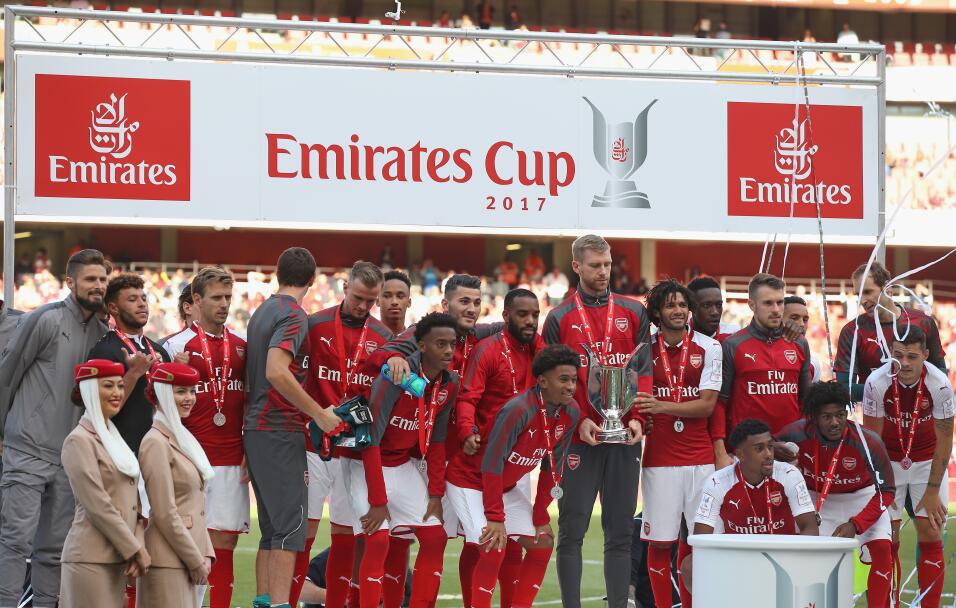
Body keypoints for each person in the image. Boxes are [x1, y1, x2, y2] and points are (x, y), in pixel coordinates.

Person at [542, 234, 650, 608]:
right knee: (571, 530)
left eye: (607, 265)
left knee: (619, 533)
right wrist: (575, 421)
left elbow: (643, 371)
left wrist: (638, 420)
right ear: (576, 266)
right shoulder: (558, 318)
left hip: (623, 438)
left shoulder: (634, 311)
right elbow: (550, 381)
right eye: (594, 266)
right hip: (579, 439)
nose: (603, 272)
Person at [243, 247, 355, 608]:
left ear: (278, 274)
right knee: (291, 531)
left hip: (259, 429)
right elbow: (277, 370)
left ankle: (263, 601)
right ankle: (277, 604)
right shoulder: (294, 315)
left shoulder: (263, 310)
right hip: (278, 428)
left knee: (273, 530)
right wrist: (318, 413)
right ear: (312, 279)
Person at [0, 249, 111, 607]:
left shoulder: (102, 331)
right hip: (27, 450)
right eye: (91, 279)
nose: (98, 286)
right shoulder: (44, 319)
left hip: (68, 459)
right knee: (15, 540)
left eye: (103, 280)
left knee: (53, 549)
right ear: (70, 282)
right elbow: (8, 373)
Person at [344, 312, 460, 608]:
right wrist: (378, 500)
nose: (448, 351)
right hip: (367, 464)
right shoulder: (396, 377)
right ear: (421, 346)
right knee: (378, 540)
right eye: (440, 344)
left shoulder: (450, 383)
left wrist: (436, 493)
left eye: (452, 344)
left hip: (403, 467)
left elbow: (437, 442)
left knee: (435, 538)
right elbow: (369, 439)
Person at [447, 288, 544, 607]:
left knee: (530, 544)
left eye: (534, 315)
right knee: (486, 545)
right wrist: (467, 431)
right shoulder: (488, 351)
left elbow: (556, 369)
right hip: (473, 471)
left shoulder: (537, 350)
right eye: (522, 314)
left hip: (510, 473)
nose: (530, 321)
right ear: (506, 317)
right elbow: (468, 397)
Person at [464, 344, 581, 608]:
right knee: (493, 545)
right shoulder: (518, 409)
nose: (571, 386)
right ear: (542, 380)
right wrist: (495, 517)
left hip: (503, 488)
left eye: (573, 380)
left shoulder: (571, 411)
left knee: (542, 543)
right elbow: (492, 464)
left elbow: (553, 467)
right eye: (563, 379)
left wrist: (540, 515)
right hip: (470, 483)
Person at [303, 261, 391, 608]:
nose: (363, 307)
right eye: (358, 298)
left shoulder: (384, 338)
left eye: (371, 301)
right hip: (312, 443)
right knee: (304, 534)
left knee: (343, 534)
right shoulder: (315, 325)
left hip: (353, 450)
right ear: (344, 288)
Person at [163, 267, 248, 608]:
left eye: (228, 298)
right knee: (190, 542)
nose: (224, 304)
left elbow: (252, 400)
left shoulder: (242, 347)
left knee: (226, 541)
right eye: (216, 298)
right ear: (196, 301)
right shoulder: (174, 347)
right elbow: (160, 407)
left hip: (231, 457)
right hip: (190, 458)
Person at [634, 279, 722, 608]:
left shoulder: (709, 347)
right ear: (657, 311)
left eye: (683, 305)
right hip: (659, 459)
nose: (678, 310)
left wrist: (660, 406)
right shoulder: (643, 349)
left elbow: (707, 405)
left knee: (698, 542)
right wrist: (645, 414)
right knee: (660, 545)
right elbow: (636, 401)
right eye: (670, 305)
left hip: (701, 460)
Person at [777, 381, 895, 607]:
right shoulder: (794, 434)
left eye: (840, 415)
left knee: (882, 549)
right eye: (827, 417)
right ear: (813, 417)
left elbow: (887, 491)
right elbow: (766, 450)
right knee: (805, 556)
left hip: (862, 497)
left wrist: (857, 524)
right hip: (816, 497)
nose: (835, 422)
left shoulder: (868, 441)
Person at [862, 326, 953, 608]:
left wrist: (932, 490)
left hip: (926, 462)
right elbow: (873, 442)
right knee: (886, 538)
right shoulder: (876, 382)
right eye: (898, 355)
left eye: (912, 357)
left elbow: (945, 439)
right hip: (888, 461)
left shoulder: (939, 384)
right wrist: (883, 488)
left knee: (930, 530)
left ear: (925, 355)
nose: (904, 364)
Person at [683, 419, 818, 589]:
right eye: (759, 449)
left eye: (770, 446)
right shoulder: (718, 482)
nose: (769, 454)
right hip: (739, 559)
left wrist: (790, 561)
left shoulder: (789, 474)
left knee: (814, 557)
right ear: (740, 455)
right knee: (690, 566)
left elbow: (810, 528)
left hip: (784, 556)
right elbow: (700, 541)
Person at [60, 359, 150, 608]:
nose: (117, 393)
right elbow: (97, 504)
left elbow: (134, 501)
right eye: (108, 386)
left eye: (120, 386)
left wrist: (136, 542)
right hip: (90, 559)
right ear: (89, 391)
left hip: (116, 559)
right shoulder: (78, 441)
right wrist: (134, 548)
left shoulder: (113, 437)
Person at [137, 362, 216, 607]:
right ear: (161, 394)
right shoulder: (155, 442)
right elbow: (163, 512)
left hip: (187, 555)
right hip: (168, 560)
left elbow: (195, 506)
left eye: (192, 391)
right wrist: (195, 559)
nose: (189, 398)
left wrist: (206, 554)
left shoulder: (182, 438)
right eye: (180, 391)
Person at [835, 262, 946, 402]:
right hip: (877, 418)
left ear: (888, 288)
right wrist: (892, 390)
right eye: (858, 294)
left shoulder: (923, 322)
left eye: (868, 292)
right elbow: (843, 388)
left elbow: (940, 371)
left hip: (920, 415)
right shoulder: (852, 331)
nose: (862, 300)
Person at [89, 273, 172, 454]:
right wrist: (134, 373)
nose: (142, 304)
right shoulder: (104, 351)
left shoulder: (159, 350)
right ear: (114, 308)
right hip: (122, 454)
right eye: (132, 300)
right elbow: (102, 412)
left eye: (144, 298)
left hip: (160, 452)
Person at [720, 273, 811, 435]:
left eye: (780, 302)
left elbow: (806, 399)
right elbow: (721, 403)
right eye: (768, 303)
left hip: (791, 444)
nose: (776, 310)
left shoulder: (800, 343)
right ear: (752, 305)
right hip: (750, 446)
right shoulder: (733, 345)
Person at [687, 275, 740, 472]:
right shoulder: (677, 338)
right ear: (691, 307)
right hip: (690, 437)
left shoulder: (734, 337)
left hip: (731, 438)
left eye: (719, 305)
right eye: (707, 306)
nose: (715, 312)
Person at [783, 295, 822, 381]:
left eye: (805, 320)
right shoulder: (761, 354)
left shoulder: (813, 363)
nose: (801, 324)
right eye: (794, 318)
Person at [378, 270, 412, 336]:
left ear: (409, 302)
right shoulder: (364, 338)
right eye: (387, 296)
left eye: (400, 296)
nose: (394, 302)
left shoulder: (417, 342)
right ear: (377, 301)